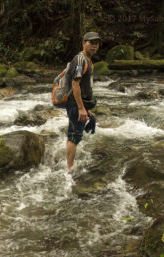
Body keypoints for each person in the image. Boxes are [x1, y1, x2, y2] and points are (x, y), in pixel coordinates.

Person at [66, 31, 101, 171]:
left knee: (78, 131)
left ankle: (70, 161)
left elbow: (86, 86)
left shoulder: (88, 60)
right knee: (74, 136)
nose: (94, 46)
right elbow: (75, 84)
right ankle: (69, 168)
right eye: (90, 43)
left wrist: (87, 108)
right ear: (83, 43)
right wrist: (81, 108)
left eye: (96, 43)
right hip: (75, 104)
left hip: (81, 104)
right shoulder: (80, 60)